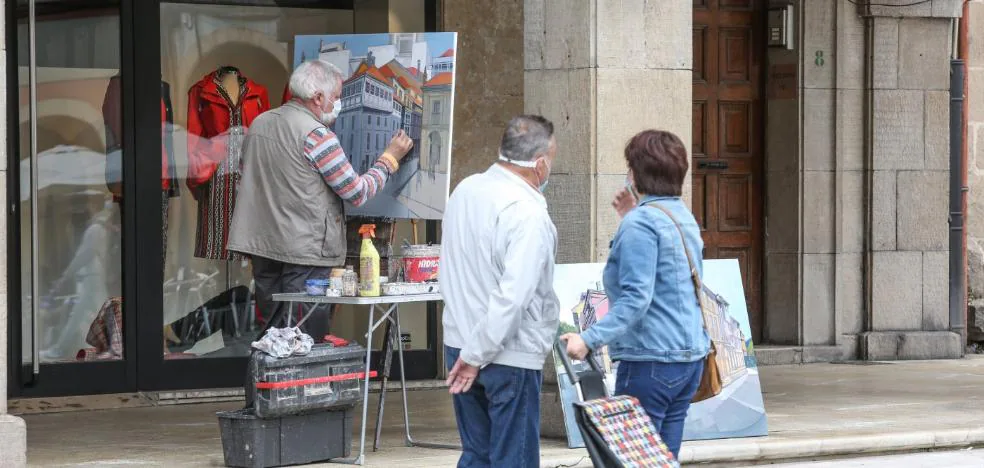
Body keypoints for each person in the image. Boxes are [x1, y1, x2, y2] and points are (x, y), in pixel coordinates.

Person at [227, 59, 413, 336]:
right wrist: (389, 160)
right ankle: (301, 382)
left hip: (264, 247)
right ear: (317, 98)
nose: (338, 104)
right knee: (304, 337)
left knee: (273, 335)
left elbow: (250, 176)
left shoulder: (259, 123)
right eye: (336, 98)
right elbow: (357, 192)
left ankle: (268, 380)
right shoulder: (317, 135)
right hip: (305, 249)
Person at [561, 129, 709, 459]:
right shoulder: (680, 215)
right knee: (662, 459)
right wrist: (632, 215)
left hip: (651, 360)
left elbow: (636, 299)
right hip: (689, 360)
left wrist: (588, 339)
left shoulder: (641, 223)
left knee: (631, 460)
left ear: (635, 173)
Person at [440, 115, 561, 468]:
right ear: (539, 164)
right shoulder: (528, 214)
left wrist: (470, 353)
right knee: (514, 459)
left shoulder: (466, 189)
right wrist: (477, 355)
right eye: (551, 159)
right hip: (506, 354)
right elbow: (513, 298)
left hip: (460, 343)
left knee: (478, 454)